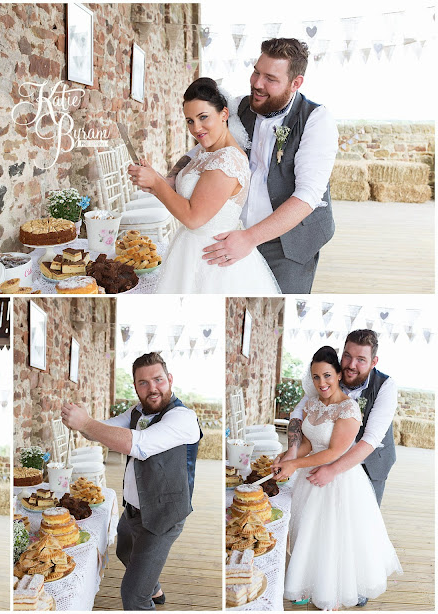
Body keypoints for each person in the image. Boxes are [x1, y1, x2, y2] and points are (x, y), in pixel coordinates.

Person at [169, 38, 338, 294]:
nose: (257, 84)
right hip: (233, 233)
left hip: (288, 244)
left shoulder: (316, 119)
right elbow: (200, 150)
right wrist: (171, 178)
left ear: (296, 83)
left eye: (270, 78)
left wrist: (250, 238)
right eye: (256, 72)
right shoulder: (238, 107)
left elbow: (308, 196)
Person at [61, 352, 202, 610]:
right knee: (124, 550)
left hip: (163, 514)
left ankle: (146, 592)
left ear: (169, 379)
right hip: (135, 510)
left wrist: (87, 423)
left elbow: (138, 445)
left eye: (158, 380)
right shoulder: (137, 411)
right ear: (135, 387)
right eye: (143, 383)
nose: (152, 389)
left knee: (133, 595)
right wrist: (78, 422)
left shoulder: (183, 417)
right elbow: (101, 430)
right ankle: (154, 587)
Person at [272, 346, 401, 610]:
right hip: (310, 477)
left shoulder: (349, 409)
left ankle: (334, 594)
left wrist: (295, 464)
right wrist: (288, 456)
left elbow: (334, 451)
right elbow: (310, 443)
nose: (322, 383)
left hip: (338, 479)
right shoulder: (312, 404)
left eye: (327, 376)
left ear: (339, 374)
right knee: (308, 532)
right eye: (316, 377)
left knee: (333, 536)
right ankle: (309, 584)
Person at [128, 77, 280, 294]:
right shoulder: (205, 152)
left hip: (212, 260)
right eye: (190, 121)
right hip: (189, 251)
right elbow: (185, 195)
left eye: (203, 117)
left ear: (224, 115)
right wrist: (153, 181)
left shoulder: (227, 160)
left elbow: (194, 217)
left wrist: (155, 183)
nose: (196, 128)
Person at [277, 329, 397, 507]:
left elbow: (371, 438)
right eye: (347, 356)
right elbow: (300, 412)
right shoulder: (330, 374)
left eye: (361, 360)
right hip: (321, 462)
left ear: (374, 362)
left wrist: (333, 469)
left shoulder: (385, 386)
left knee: (360, 520)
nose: (351, 365)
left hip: (370, 464)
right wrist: (291, 453)